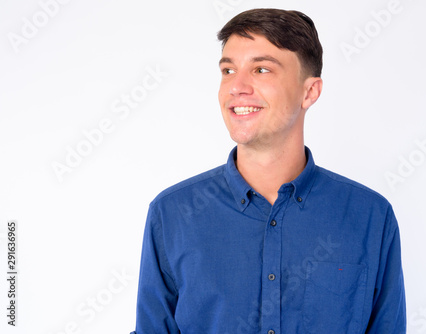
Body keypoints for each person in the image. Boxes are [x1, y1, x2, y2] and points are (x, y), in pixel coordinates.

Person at [130, 8, 406, 334]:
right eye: (228, 70)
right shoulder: (173, 214)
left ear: (310, 91)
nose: (237, 86)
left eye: (261, 69)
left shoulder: (369, 216)